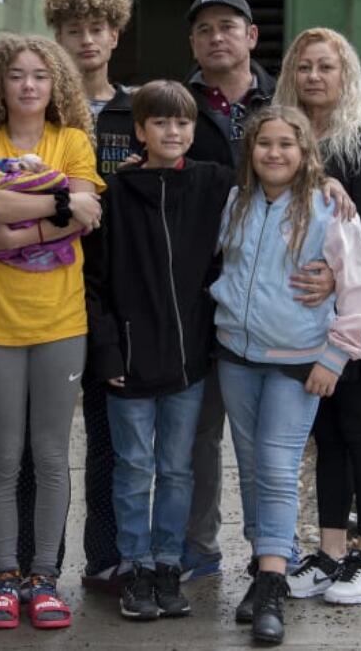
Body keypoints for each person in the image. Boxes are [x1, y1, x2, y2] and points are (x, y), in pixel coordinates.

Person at [178, 0, 347, 583]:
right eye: (204, 29)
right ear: (194, 43)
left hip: (291, 328)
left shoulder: (280, 100)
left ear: (252, 35)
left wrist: (330, 198)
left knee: (275, 459)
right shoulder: (182, 105)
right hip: (213, 317)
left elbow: (324, 178)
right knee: (211, 446)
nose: (216, 37)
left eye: (229, 25)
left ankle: (274, 562)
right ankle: (206, 554)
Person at [210, 105, 361, 644]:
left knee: (279, 469)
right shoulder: (236, 202)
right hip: (236, 356)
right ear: (251, 151)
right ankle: (264, 566)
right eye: (265, 143)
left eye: (287, 144)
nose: (275, 153)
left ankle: (272, 586)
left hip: (297, 362)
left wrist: (335, 357)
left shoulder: (329, 209)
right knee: (252, 468)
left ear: (305, 152)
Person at [0, 34, 105, 630]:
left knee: (50, 456)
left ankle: (44, 579)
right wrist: (59, 201)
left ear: (55, 85)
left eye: (40, 76)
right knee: (2, 457)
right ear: (0, 83)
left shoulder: (71, 140)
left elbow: (90, 210)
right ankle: (5, 580)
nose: (28, 86)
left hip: (60, 322)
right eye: (17, 75)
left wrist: (24, 236)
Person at [83, 80, 233, 621]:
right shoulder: (115, 197)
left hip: (188, 361)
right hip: (128, 362)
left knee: (176, 469)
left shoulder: (213, 184)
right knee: (133, 469)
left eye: (183, 123)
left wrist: (326, 185)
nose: (173, 132)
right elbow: (94, 285)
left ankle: (169, 565)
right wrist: (107, 353)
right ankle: (135, 568)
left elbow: (278, 178)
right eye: (161, 123)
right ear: (140, 131)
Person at [275, 28, 361, 606]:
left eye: (325, 67)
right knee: (324, 435)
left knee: (358, 429)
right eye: (303, 67)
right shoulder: (288, 139)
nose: (313, 77)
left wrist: (337, 273)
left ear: (344, 74)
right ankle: (330, 552)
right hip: (305, 313)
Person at [43, 0, 139, 593]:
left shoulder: (140, 109)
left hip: (114, 290)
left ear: (115, 33)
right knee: (41, 443)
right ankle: (33, 564)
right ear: (58, 37)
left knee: (107, 436)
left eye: (97, 29)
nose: (86, 40)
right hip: (44, 282)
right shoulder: (40, 108)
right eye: (74, 30)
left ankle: (104, 557)